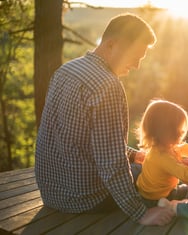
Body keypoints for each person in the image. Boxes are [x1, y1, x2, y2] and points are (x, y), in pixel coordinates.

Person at [35, 13, 174, 225]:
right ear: (111, 45)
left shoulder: (66, 70)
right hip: (86, 199)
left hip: (52, 192)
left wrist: (134, 155)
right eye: (135, 56)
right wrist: (141, 214)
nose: (136, 65)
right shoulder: (106, 84)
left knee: (144, 164)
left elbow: (81, 140)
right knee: (158, 172)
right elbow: (111, 162)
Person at [135, 100, 188, 208]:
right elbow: (187, 175)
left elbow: (186, 149)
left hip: (165, 191)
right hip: (154, 199)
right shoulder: (161, 156)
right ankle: (169, 207)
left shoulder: (167, 146)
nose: (181, 134)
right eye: (179, 131)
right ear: (165, 131)